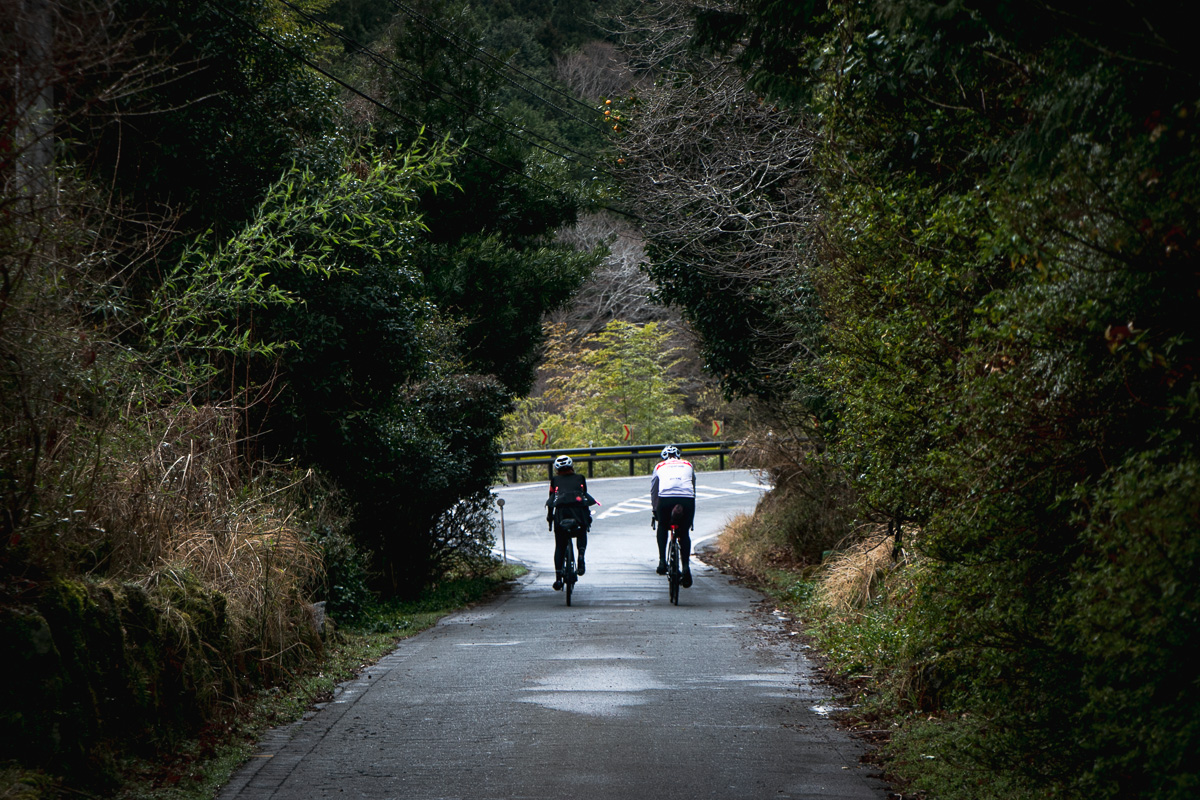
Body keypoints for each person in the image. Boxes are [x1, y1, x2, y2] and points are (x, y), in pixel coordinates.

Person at [546, 454, 594, 590]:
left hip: (561, 516)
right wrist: (587, 517)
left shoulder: (554, 481)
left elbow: (551, 500)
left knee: (560, 545)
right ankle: (581, 556)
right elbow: (584, 497)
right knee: (581, 532)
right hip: (578, 514)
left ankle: (558, 578)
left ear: (556, 469)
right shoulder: (580, 478)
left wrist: (550, 517)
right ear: (572, 466)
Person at [650, 444, 696, 587]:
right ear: (678, 457)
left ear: (663, 457)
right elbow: (693, 486)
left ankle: (662, 561)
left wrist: (655, 509)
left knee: (663, 525)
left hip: (666, 498)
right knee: (684, 532)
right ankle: (686, 567)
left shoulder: (659, 466)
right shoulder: (688, 464)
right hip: (687, 499)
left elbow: (654, 490)